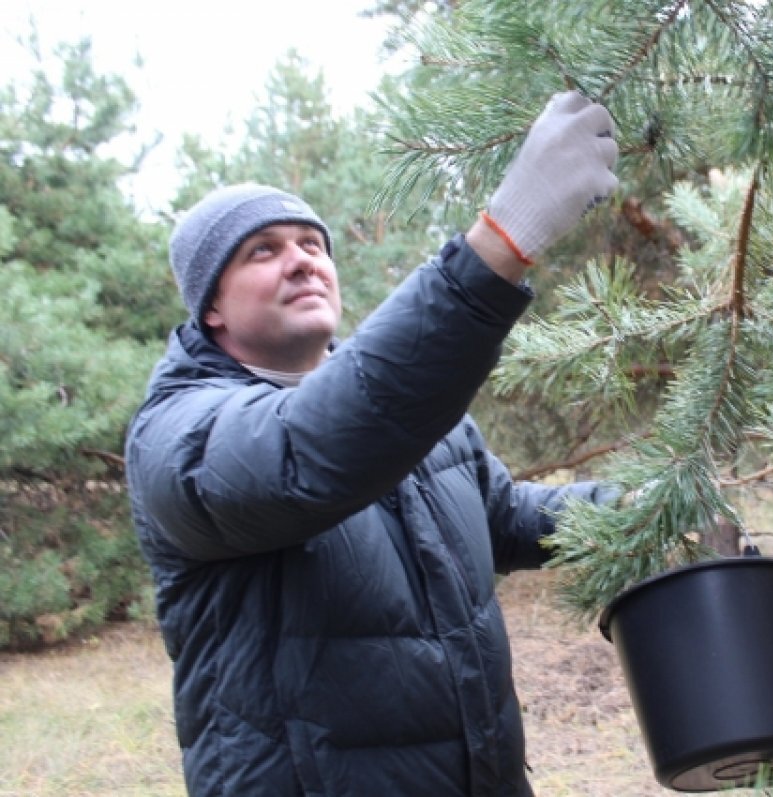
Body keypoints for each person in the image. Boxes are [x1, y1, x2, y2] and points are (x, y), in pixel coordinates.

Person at [125, 91, 620, 796]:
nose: (301, 261)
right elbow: (309, 455)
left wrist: (639, 512)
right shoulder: (180, 434)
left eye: (312, 245)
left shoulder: (411, 409)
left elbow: (504, 516)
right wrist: (499, 244)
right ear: (211, 306)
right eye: (263, 251)